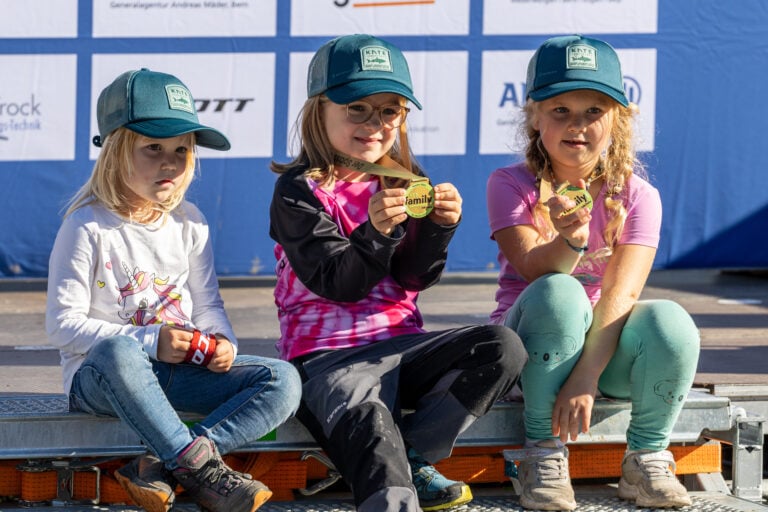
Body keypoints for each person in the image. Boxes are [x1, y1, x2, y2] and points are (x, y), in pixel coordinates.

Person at [269, 34, 527, 512]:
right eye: (358, 109)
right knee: (378, 451)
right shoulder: (298, 190)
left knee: (501, 347)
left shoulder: (405, 179)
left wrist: (438, 229)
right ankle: (393, 469)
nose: (375, 124)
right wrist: (376, 233)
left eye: (390, 111)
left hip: (402, 347)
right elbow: (339, 283)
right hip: (329, 359)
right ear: (318, 110)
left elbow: (414, 278)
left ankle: (410, 453)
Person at [45, 68, 302, 512]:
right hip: (100, 379)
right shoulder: (86, 224)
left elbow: (208, 303)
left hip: (177, 375)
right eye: (153, 148)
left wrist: (222, 341)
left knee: (283, 379)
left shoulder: (190, 222)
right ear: (115, 151)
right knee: (119, 351)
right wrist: (150, 340)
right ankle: (202, 470)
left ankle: (170, 464)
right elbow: (61, 325)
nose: (170, 162)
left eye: (181, 149)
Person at [486, 35, 701, 510]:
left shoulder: (640, 196)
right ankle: (541, 452)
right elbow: (532, 268)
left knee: (670, 321)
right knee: (559, 292)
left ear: (617, 119)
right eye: (560, 110)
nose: (576, 125)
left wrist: (586, 376)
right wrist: (571, 240)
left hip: (602, 358)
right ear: (534, 116)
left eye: (593, 111)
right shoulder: (509, 183)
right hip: (529, 358)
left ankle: (646, 457)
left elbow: (621, 296)